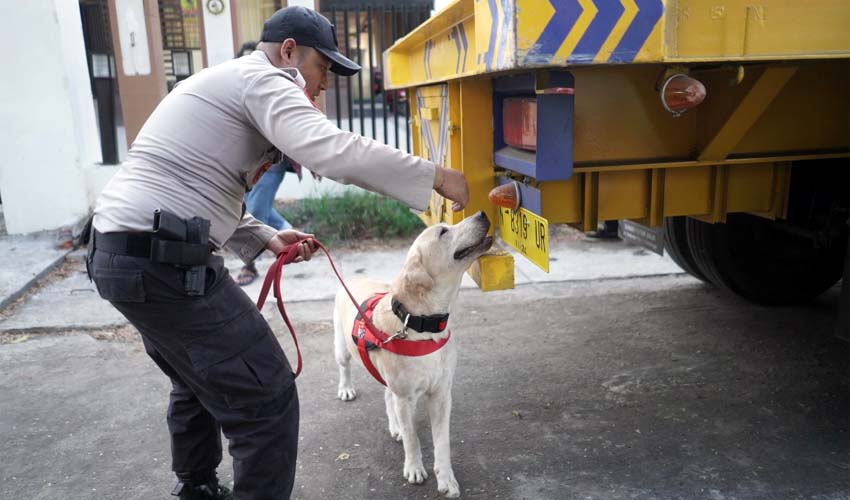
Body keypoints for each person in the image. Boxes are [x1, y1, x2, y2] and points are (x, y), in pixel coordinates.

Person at [87, 6, 468, 500]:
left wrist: (261, 235)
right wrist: (435, 176)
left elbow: (192, 186)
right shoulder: (263, 79)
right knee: (267, 396)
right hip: (159, 265)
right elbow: (329, 150)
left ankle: (196, 487)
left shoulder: (228, 82)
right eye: (322, 68)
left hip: (123, 254)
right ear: (289, 52)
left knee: (196, 378)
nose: (323, 84)